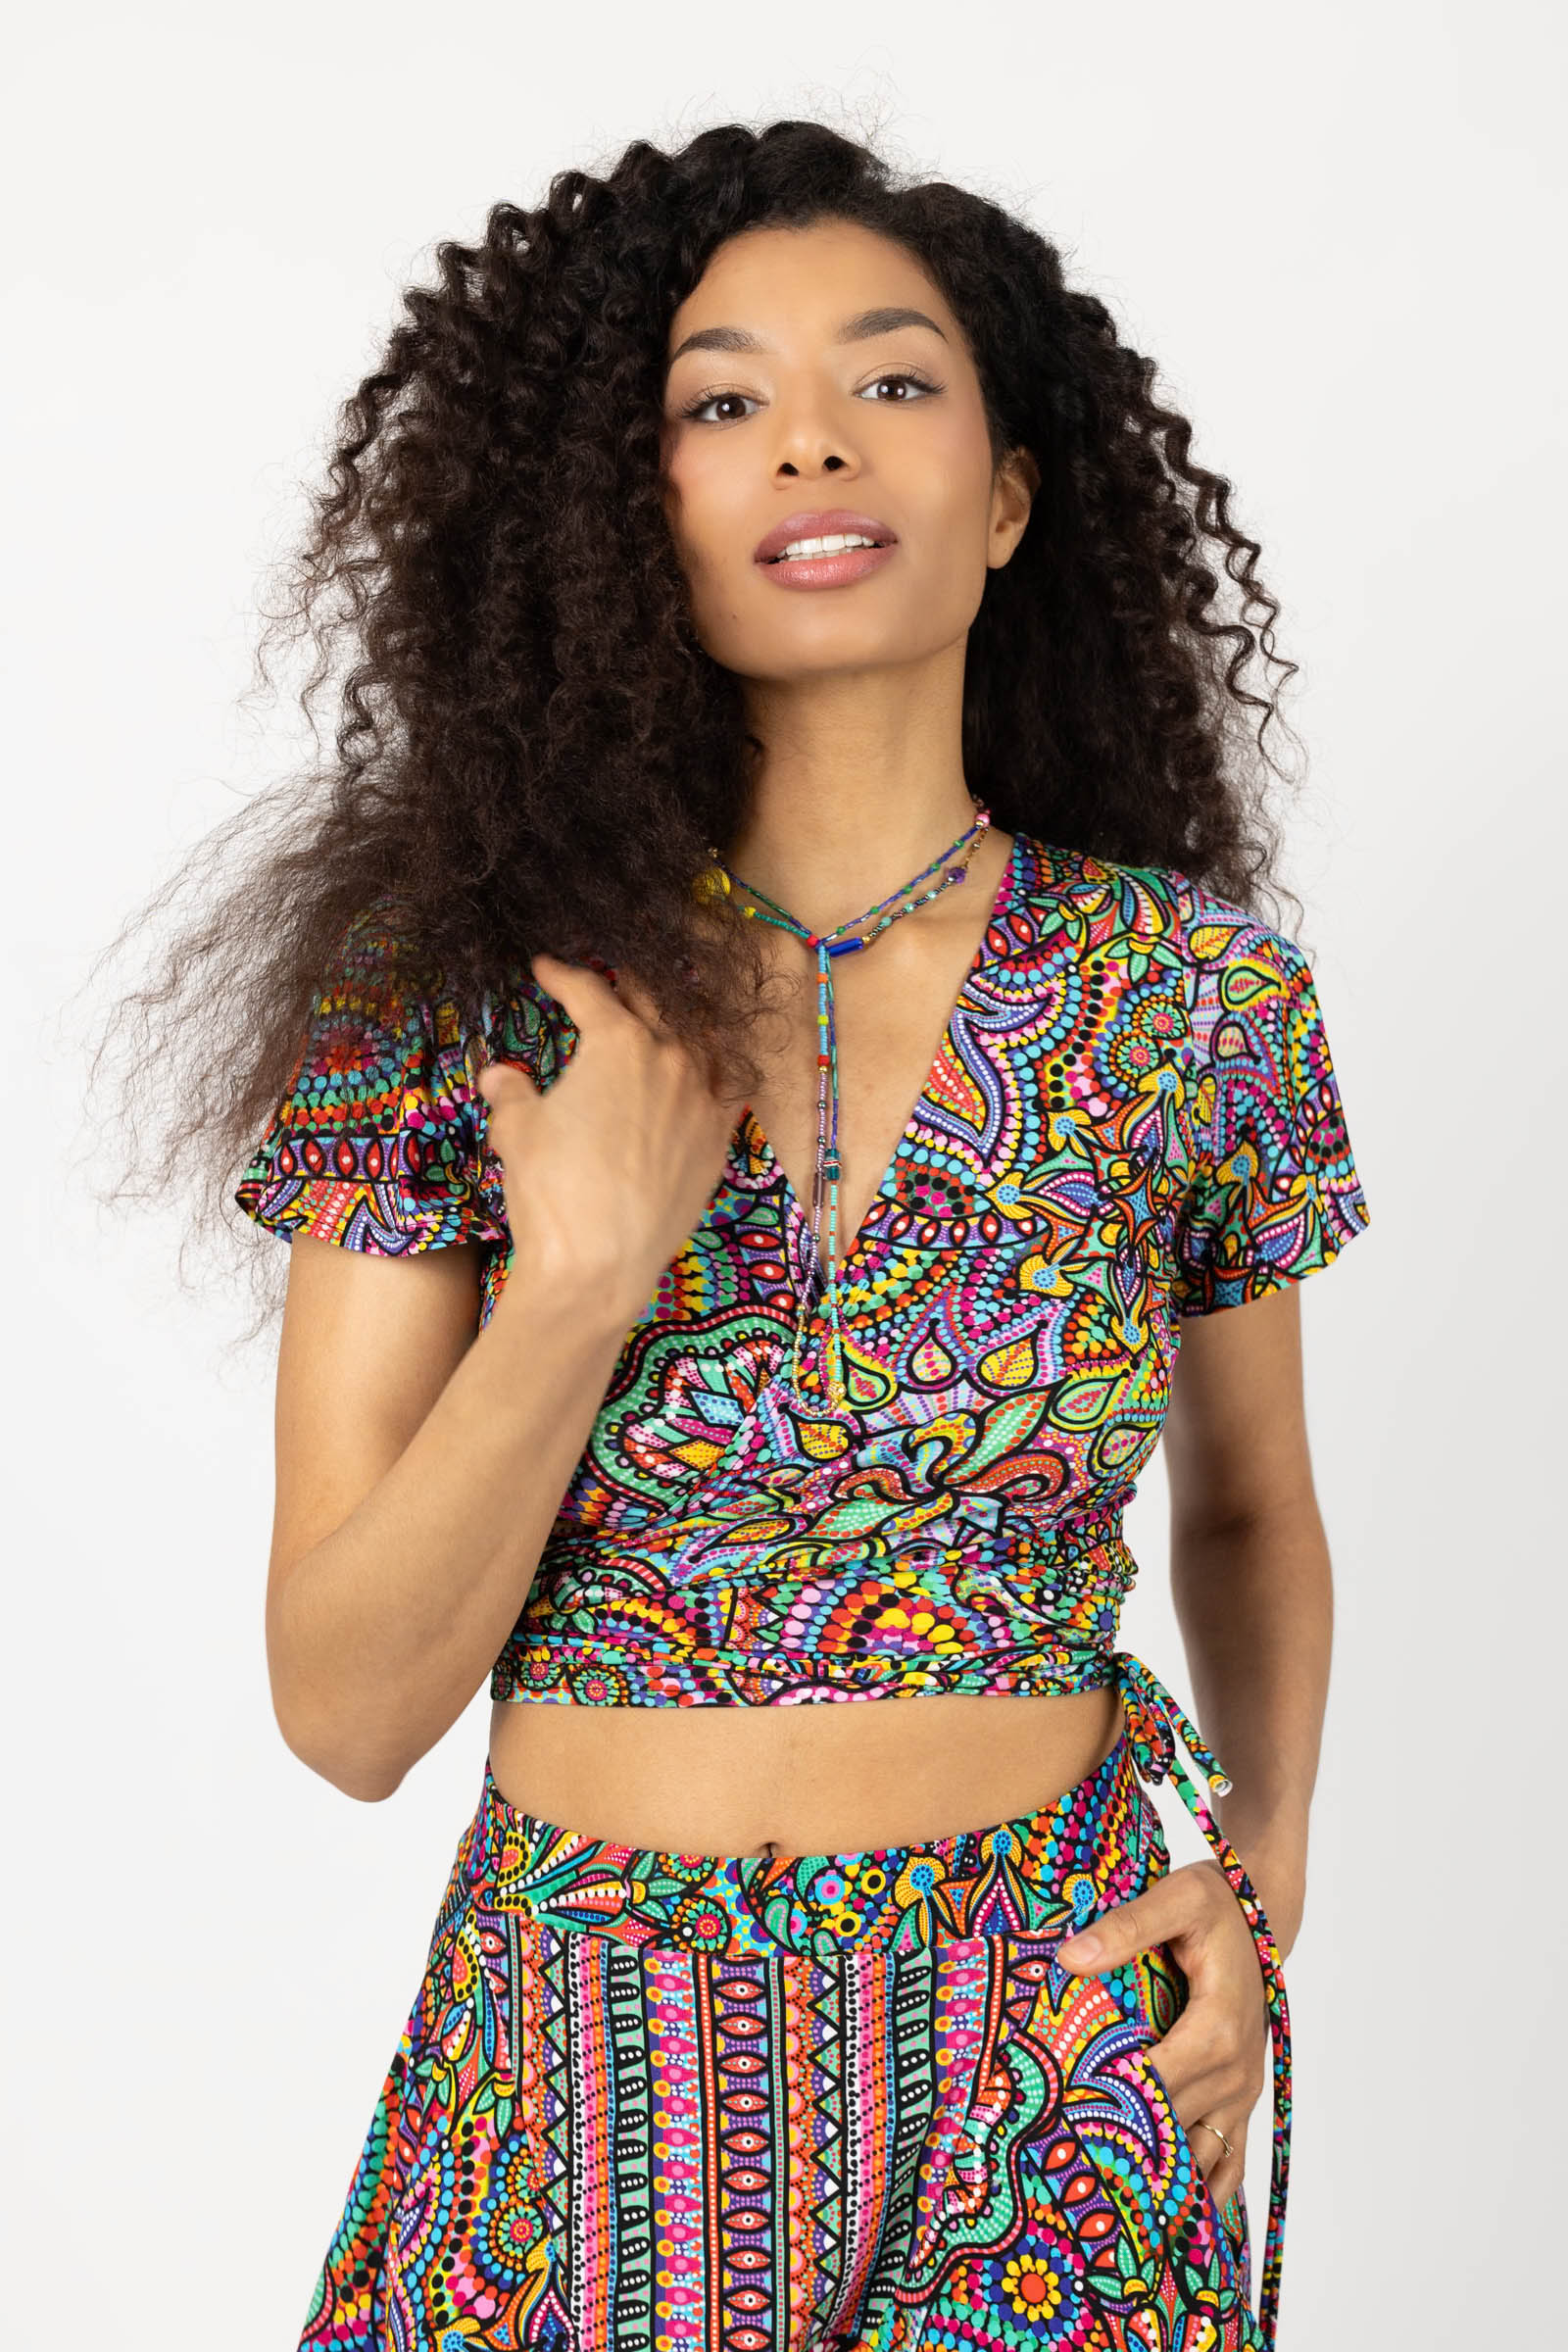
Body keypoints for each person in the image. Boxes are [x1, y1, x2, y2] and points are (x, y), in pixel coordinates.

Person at [159, 119, 1369, 2351]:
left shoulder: (1192, 994)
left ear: (1008, 499)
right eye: (720, 402)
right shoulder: (464, 998)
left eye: (892, 379)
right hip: (584, 2070)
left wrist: (1262, 1881)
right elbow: (342, 1707)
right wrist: (581, 1280)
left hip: (1059, 2048)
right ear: (631, 514)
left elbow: (1248, 1508)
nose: (811, 438)